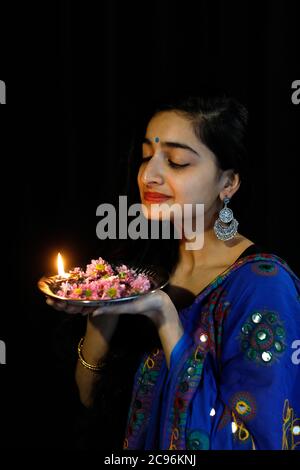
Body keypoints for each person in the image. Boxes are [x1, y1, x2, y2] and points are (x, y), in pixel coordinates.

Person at [46, 94, 300, 450]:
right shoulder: (142, 269)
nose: (149, 175)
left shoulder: (262, 287)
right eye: (147, 156)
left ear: (228, 183)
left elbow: (255, 441)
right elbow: (91, 401)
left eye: (177, 162)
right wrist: (100, 313)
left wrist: (166, 320)